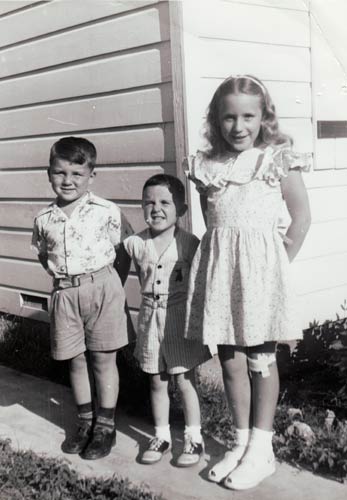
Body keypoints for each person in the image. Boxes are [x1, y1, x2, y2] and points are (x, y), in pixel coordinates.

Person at [184, 75, 311, 489]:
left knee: (261, 359)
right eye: (228, 117)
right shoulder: (207, 167)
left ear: (263, 117)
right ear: (216, 120)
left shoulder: (275, 159)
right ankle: (239, 442)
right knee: (230, 360)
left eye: (248, 116)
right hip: (223, 274)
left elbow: (301, 217)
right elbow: (214, 223)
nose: (238, 126)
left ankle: (262, 447)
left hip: (261, 278)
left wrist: (277, 268)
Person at [32, 136, 134, 460]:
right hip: (65, 293)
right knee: (76, 360)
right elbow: (43, 254)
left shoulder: (106, 211)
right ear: (49, 174)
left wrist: (111, 283)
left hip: (102, 288)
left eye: (77, 174)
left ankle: (105, 426)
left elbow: (124, 251)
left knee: (104, 360)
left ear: (92, 175)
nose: (68, 181)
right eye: (60, 173)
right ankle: (84, 422)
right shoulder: (43, 219)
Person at [123, 174, 211, 467]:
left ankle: (194, 437)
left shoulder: (189, 244)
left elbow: (201, 283)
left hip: (178, 317)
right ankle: (161, 435)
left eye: (165, 202)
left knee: (185, 380)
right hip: (149, 317)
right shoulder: (135, 243)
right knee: (157, 381)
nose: (156, 209)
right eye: (149, 202)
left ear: (182, 210)